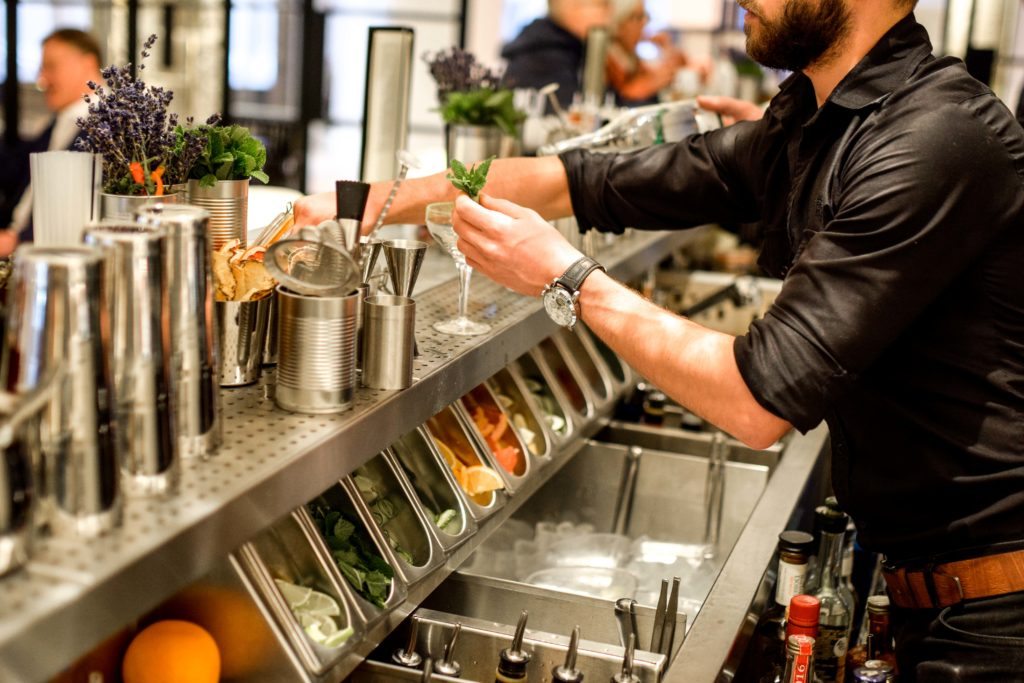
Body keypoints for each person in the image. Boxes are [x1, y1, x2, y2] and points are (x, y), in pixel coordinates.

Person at [298, 0, 1024, 677]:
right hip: (932, 591)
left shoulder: (933, 138)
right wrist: (364, 203)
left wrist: (568, 278)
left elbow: (754, 399)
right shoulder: (816, 121)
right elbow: (581, 181)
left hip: (995, 614)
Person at [0, 28, 103, 257]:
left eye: (51, 67)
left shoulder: (109, 128)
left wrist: (16, 242)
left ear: (88, 63)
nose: (41, 80)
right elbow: (16, 168)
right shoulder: (65, 118)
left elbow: (82, 213)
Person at [501, 0, 612, 112]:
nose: (609, 13)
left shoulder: (571, 50)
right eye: (601, 5)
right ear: (570, 8)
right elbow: (571, 116)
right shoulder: (544, 57)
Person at [605, 0, 690, 105]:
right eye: (638, 17)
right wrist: (650, 83)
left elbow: (675, 65)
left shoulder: (630, 56)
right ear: (618, 21)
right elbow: (621, 96)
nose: (643, 24)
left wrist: (666, 47)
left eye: (646, 17)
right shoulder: (608, 57)